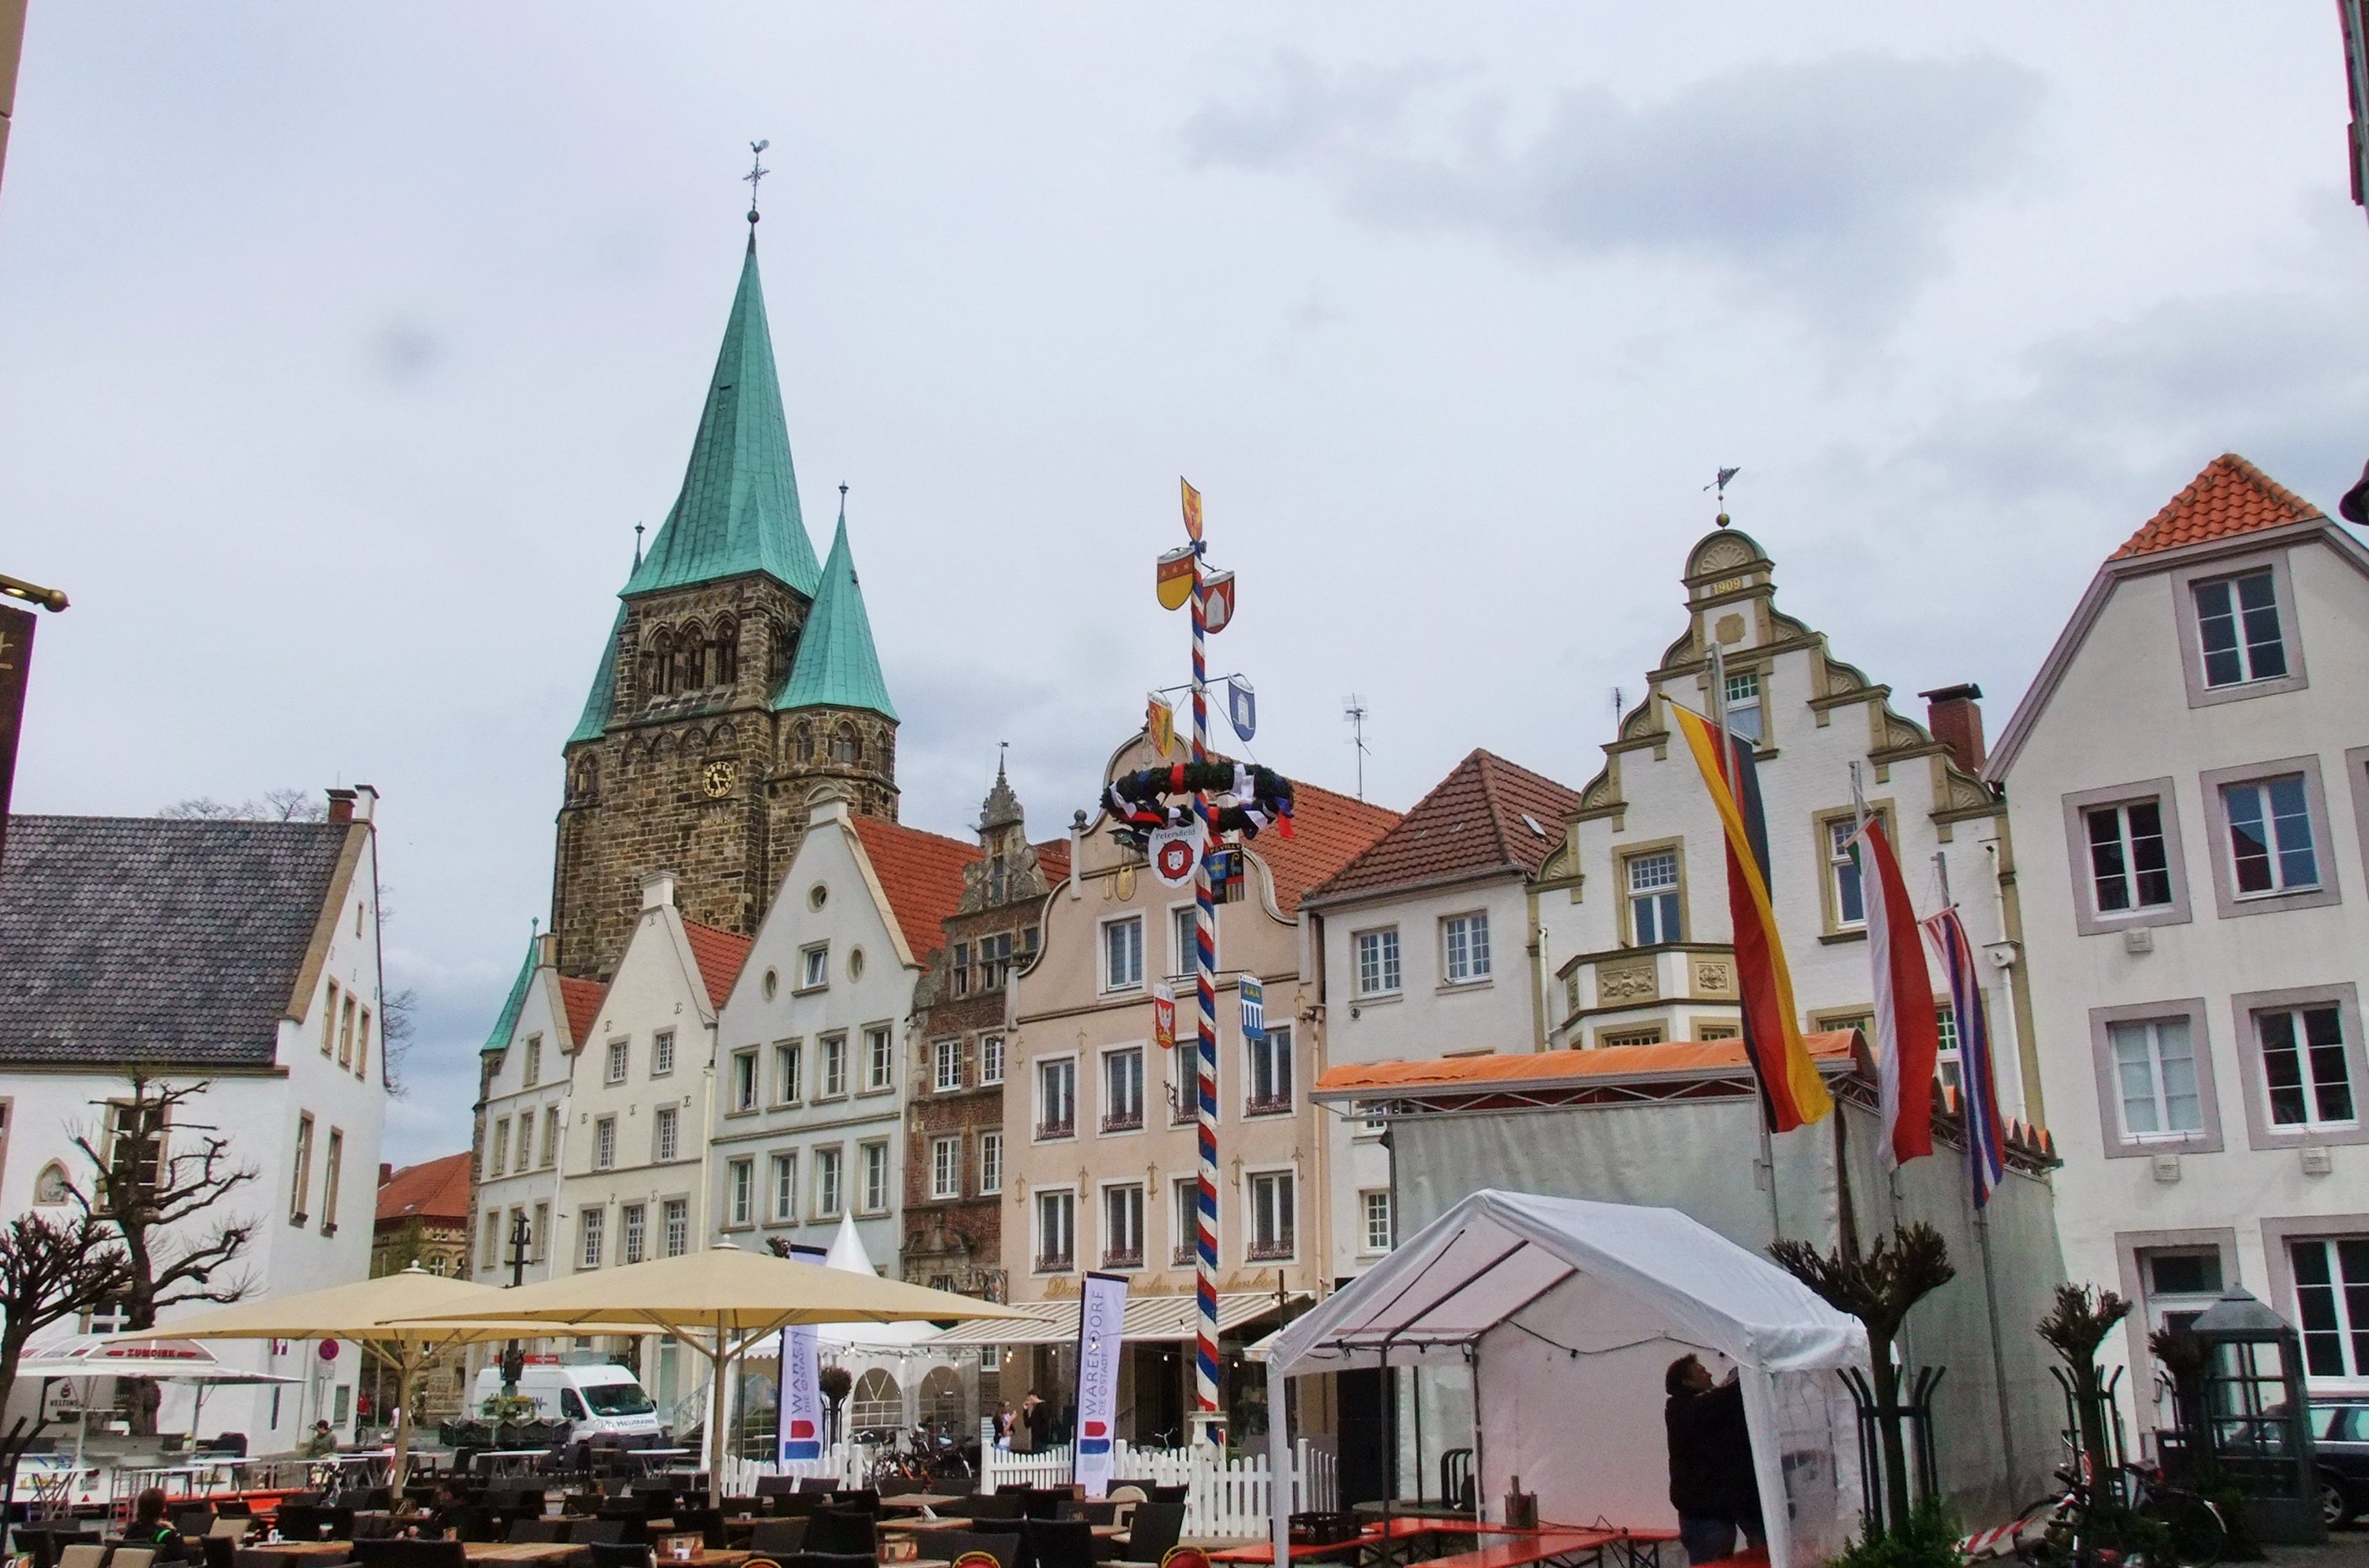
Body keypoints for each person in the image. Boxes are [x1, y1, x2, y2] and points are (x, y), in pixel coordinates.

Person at [1664, 1355, 1762, 1565]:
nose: (1708, 1373)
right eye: (1701, 1371)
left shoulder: (1694, 1407)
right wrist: (1750, 1365)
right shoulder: (1690, 1409)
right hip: (1705, 1516)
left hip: (1714, 1513)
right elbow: (1727, 1395)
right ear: (1687, 1382)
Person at [127, 1488, 189, 1565]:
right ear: (163, 1509)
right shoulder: (168, 1536)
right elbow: (183, 1561)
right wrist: (175, 1532)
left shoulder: (132, 1529)